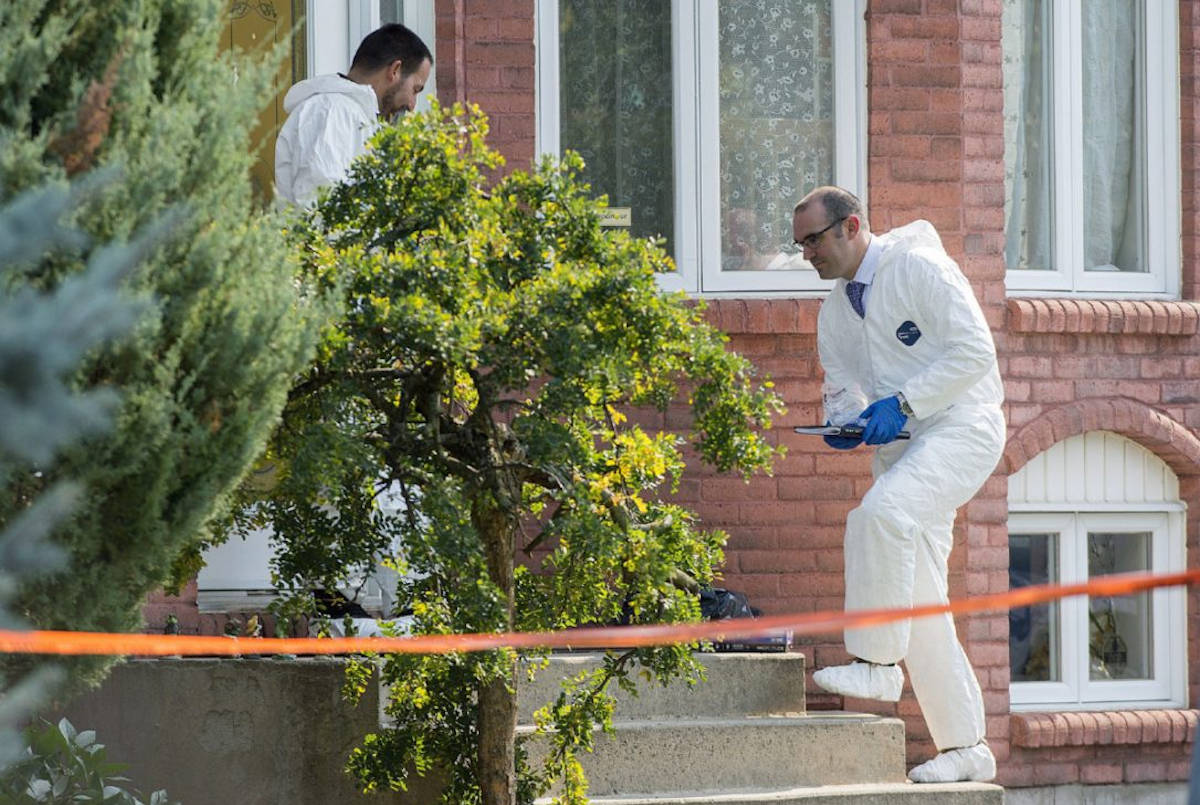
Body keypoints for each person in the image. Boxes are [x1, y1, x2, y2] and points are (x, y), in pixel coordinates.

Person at [793, 186, 1006, 784]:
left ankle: (877, 662)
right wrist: (842, 420)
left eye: (813, 239)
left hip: (964, 425)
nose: (806, 253)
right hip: (901, 450)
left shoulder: (917, 266)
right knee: (920, 599)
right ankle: (967, 747)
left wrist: (905, 401)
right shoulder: (834, 310)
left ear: (851, 225)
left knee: (876, 517)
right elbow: (842, 387)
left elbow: (975, 351)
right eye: (799, 245)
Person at [274, 23, 433, 207]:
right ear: (395, 70)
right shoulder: (333, 112)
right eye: (415, 89)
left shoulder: (352, 114)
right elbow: (320, 207)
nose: (412, 106)